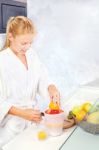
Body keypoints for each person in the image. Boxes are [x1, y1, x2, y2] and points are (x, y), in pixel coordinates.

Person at [0, 16, 60, 148]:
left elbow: (42, 77)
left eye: (30, 43)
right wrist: (22, 113)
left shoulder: (31, 55)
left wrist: (51, 87)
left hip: (33, 120)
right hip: (11, 127)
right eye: (23, 43)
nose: (27, 47)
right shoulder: (2, 61)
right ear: (10, 37)